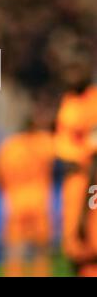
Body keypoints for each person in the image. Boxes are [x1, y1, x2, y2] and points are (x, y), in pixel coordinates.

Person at [0, 97, 56, 277]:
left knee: (14, 250)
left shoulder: (8, 147)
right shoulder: (43, 141)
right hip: (39, 201)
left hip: (15, 201)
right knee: (41, 251)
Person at [55, 45, 97, 277]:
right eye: (67, 70)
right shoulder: (69, 100)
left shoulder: (94, 102)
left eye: (76, 70)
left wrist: (85, 209)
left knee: (90, 247)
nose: (70, 75)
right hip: (72, 184)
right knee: (73, 250)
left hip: (89, 183)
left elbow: (95, 158)